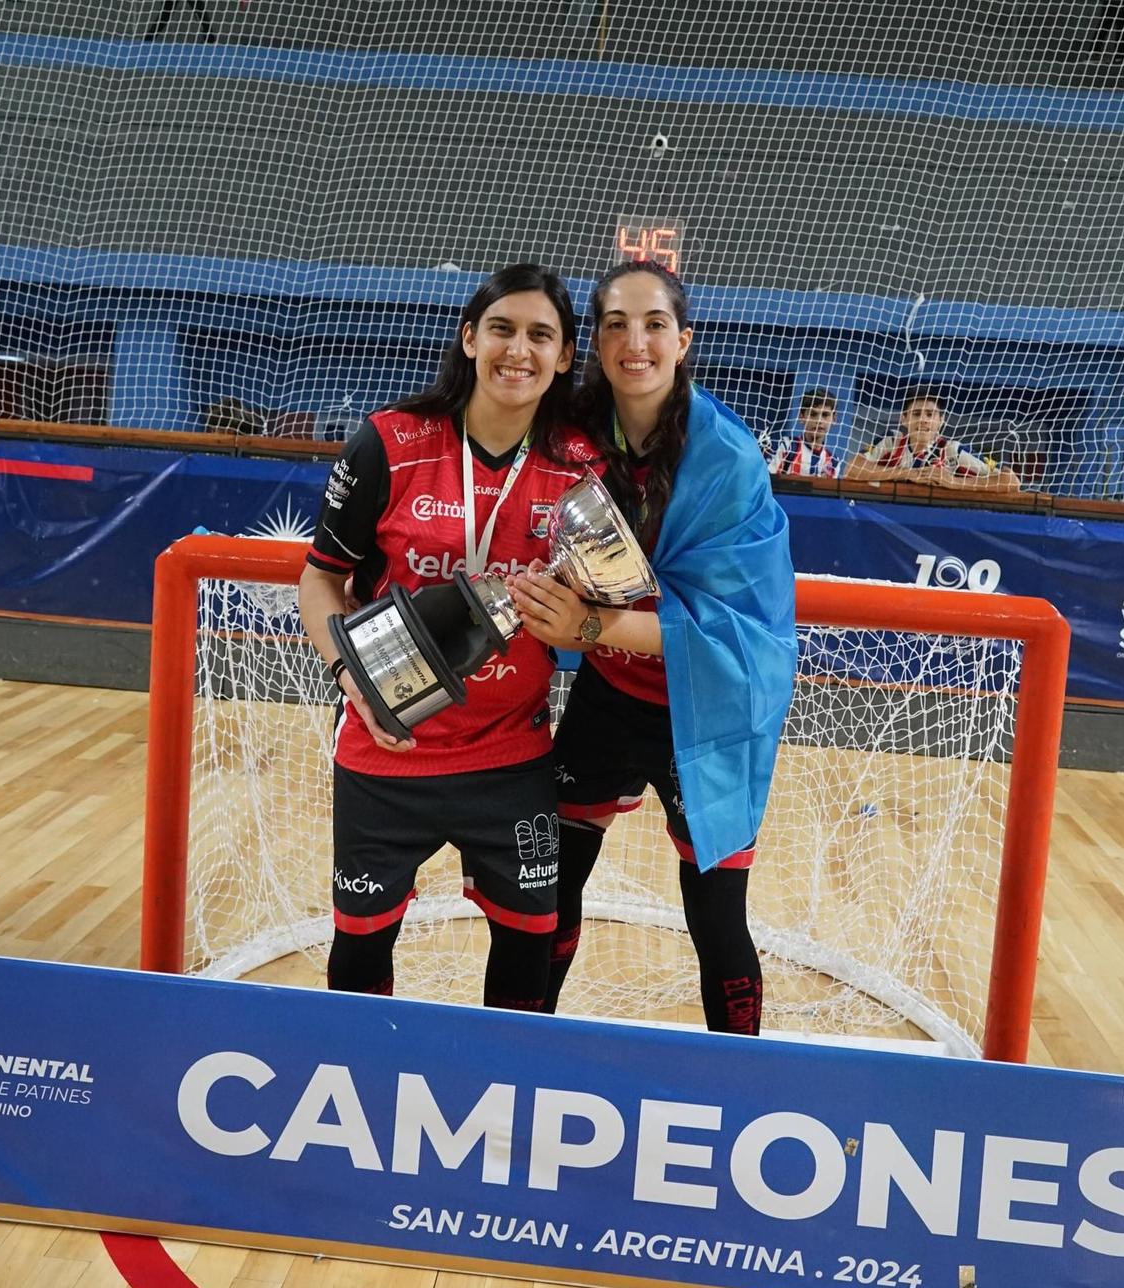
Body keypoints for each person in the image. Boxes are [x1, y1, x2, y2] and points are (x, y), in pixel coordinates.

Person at [298, 265, 597, 1012]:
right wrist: (348, 679)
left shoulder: (580, 468)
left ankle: (502, 1101)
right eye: (501, 329)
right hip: (386, 750)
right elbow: (320, 579)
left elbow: (599, 608)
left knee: (530, 949)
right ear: (469, 338)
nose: (517, 350)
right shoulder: (389, 442)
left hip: (511, 754)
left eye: (540, 336)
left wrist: (581, 624)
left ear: (564, 358)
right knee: (360, 955)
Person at [510, 260, 798, 1037]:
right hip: (608, 697)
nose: (634, 341)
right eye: (614, 324)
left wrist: (589, 627)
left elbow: (729, 629)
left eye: (654, 324)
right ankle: (523, 1056)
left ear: (682, 341)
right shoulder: (568, 432)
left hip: (707, 712)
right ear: (593, 343)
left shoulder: (727, 460)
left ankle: (736, 1083)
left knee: (715, 917)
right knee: (551, 892)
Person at [843, 389, 1020, 492]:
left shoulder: (953, 451)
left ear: (941, 420)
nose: (923, 420)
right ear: (903, 419)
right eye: (917, 413)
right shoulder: (890, 441)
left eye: (930, 414)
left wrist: (954, 482)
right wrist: (907, 473)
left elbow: (1011, 482)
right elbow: (852, 469)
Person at [769, 388, 839, 477]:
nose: (819, 420)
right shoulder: (787, 447)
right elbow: (768, 481)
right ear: (802, 417)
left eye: (825, 415)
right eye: (813, 414)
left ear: (834, 418)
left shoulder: (833, 461)